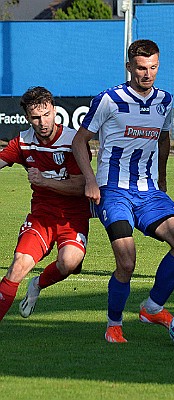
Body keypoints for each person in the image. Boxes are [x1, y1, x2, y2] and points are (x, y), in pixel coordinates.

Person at [72, 39, 174, 343]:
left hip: (150, 191)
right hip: (113, 190)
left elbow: (163, 140)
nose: (147, 74)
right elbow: (79, 141)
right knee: (127, 261)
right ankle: (114, 325)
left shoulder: (164, 100)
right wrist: (90, 180)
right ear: (129, 66)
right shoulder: (109, 99)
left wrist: (163, 181)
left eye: (153, 67)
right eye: (141, 68)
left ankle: (152, 308)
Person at [0, 86, 92, 322]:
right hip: (41, 217)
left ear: (54, 111)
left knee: (69, 262)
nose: (42, 122)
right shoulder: (23, 142)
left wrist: (44, 181)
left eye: (47, 114)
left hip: (72, 216)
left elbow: (81, 186)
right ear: (28, 118)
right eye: (36, 117)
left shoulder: (73, 141)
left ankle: (37, 284)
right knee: (18, 265)